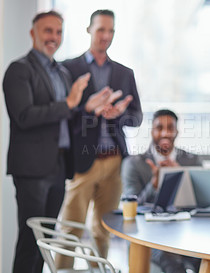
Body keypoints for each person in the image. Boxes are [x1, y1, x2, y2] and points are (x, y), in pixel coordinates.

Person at [2, 11, 91, 273]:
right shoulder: (19, 70)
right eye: (48, 31)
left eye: (58, 32)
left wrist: (88, 109)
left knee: (47, 240)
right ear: (33, 34)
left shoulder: (62, 73)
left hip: (59, 166)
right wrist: (69, 103)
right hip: (31, 169)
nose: (54, 37)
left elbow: (66, 114)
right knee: (30, 241)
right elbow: (24, 116)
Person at [55, 9, 143, 269]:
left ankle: (99, 269)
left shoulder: (124, 73)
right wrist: (88, 110)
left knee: (103, 229)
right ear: (89, 30)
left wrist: (120, 114)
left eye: (111, 31)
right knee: (71, 228)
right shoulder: (68, 69)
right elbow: (63, 115)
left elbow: (136, 117)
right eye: (101, 30)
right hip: (82, 162)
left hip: (114, 160)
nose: (106, 36)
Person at [121, 109, 202, 273]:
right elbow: (132, 206)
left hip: (186, 232)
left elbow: (202, 202)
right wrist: (155, 184)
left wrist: (182, 175)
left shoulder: (191, 161)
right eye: (159, 127)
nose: (165, 132)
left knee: (205, 255)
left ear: (177, 131)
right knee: (171, 261)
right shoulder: (134, 164)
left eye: (170, 127)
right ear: (152, 131)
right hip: (149, 235)